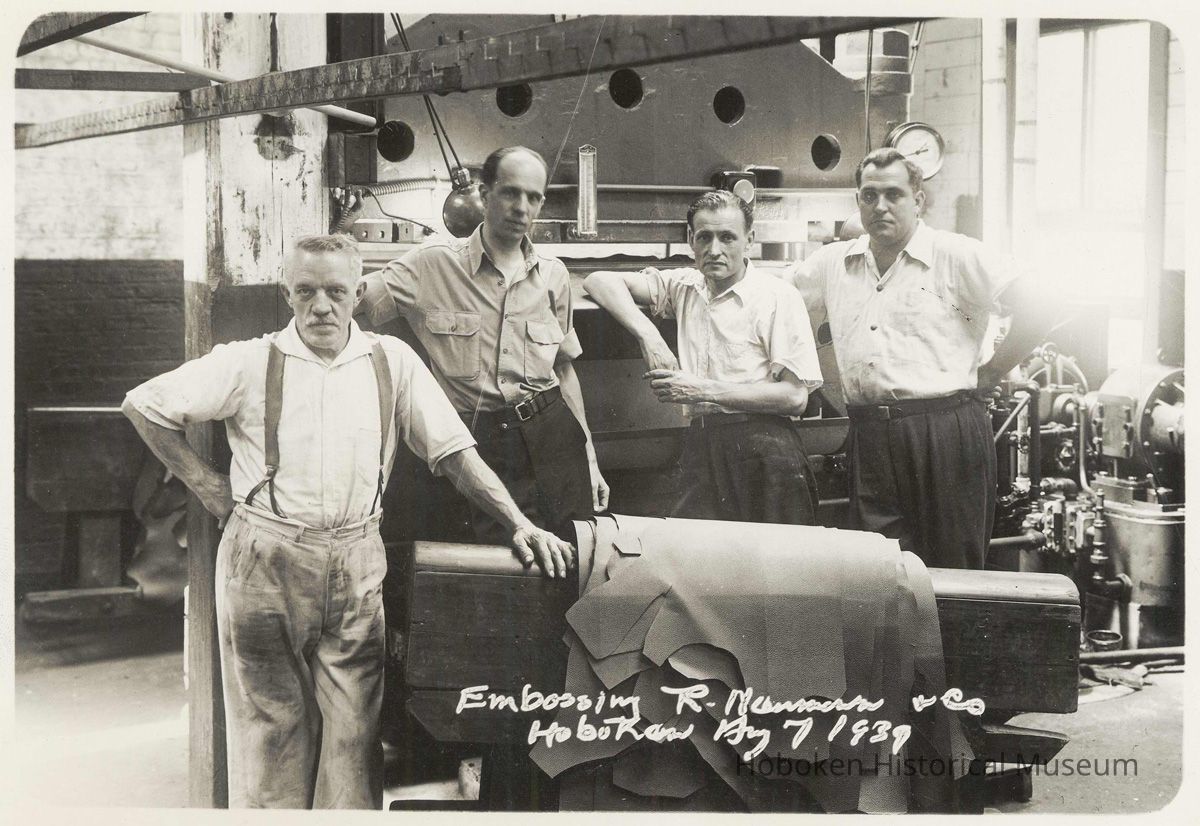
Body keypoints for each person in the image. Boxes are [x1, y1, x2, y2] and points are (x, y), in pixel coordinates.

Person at [122, 234, 575, 809]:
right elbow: (143, 404)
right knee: (271, 733)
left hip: (358, 561)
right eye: (306, 291)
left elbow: (455, 452)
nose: (320, 307)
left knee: (355, 739)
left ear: (358, 293)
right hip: (265, 560)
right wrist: (209, 486)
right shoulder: (248, 360)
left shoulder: (392, 361)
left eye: (336, 292)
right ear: (288, 293)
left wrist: (518, 523)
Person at [788, 147, 1057, 569]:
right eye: (868, 195)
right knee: (878, 575)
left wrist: (992, 370)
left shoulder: (957, 255)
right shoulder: (833, 264)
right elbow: (770, 301)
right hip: (870, 436)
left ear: (919, 200)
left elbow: (1041, 306)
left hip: (945, 432)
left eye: (893, 194)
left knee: (954, 572)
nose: (880, 206)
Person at [358, 146, 607, 544]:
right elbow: (350, 301)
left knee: (571, 555)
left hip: (552, 438)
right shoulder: (430, 264)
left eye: (534, 197)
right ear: (484, 193)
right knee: (486, 568)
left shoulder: (555, 276)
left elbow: (563, 370)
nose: (521, 207)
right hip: (475, 442)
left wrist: (591, 459)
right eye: (510, 192)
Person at [583, 190, 823, 524]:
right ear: (689, 240)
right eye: (704, 237)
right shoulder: (684, 285)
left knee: (778, 568)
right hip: (701, 444)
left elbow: (795, 397)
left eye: (727, 238)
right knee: (699, 565)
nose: (714, 250)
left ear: (749, 240)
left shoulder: (778, 296)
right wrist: (648, 335)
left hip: (767, 450)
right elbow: (598, 280)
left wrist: (700, 390)